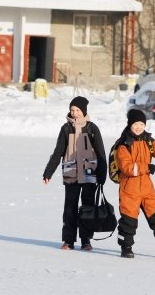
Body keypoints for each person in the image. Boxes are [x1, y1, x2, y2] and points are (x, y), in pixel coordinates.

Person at [42, 95, 108, 250]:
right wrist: (48, 172)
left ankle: (86, 240)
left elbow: (100, 153)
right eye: (72, 110)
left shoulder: (92, 128)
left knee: (87, 208)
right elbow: (58, 151)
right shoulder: (66, 129)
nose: (75, 113)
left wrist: (102, 174)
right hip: (71, 173)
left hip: (89, 174)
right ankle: (68, 240)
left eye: (78, 110)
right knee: (69, 208)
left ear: (84, 111)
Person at [113, 108, 155, 259]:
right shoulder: (123, 145)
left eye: (141, 124)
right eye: (136, 124)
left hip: (147, 189)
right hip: (129, 189)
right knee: (128, 222)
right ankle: (126, 248)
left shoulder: (148, 141)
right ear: (130, 125)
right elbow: (127, 167)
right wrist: (146, 167)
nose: (139, 127)